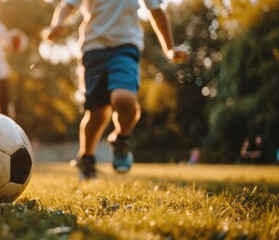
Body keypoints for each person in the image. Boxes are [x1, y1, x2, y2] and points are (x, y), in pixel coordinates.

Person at [47, 0, 189, 179]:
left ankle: (121, 139)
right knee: (97, 112)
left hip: (125, 47)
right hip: (93, 50)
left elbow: (156, 11)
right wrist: (58, 22)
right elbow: (68, 5)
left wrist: (169, 48)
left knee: (124, 99)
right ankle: (86, 159)